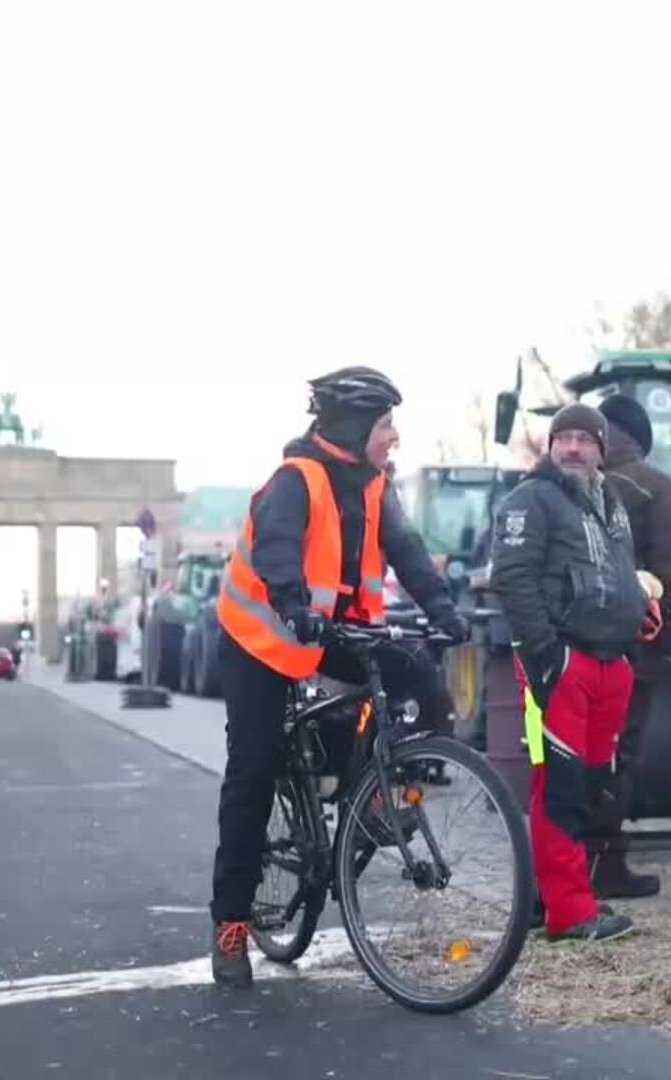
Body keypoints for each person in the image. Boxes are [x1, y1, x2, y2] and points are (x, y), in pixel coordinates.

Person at [208, 366, 471, 988]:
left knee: (418, 674)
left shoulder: (376, 486)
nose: (395, 437)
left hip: (328, 632)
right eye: (385, 426)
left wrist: (442, 610)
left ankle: (376, 794)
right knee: (251, 774)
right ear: (354, 429)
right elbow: (275, 548)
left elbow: (405, 549)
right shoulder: (294, 481)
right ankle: (230, 928)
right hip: (260, 638)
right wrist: (293, 604)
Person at [490, 403, 649, 942]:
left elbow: (618, 570)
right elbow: (512, 577)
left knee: (589, 784)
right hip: (562, 664)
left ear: (603, 450)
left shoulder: (612, 501)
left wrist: (636, 612)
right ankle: (570, 913)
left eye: (585, 438)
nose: (574, 447)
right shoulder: (530, 501)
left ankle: (550, 895)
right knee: (558, 784)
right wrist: (546, 655)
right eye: (565, 438)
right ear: (551, 446)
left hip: (610, 663)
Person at [585, 394, 671, 900]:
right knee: (616, 753)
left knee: (566, 752)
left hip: (567, 644)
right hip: (629, 646)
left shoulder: (559, 478)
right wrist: (669, 639)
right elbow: (670, 572)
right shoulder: (653, 485)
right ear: (638, 438)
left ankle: (560, 867)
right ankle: (604, 864)